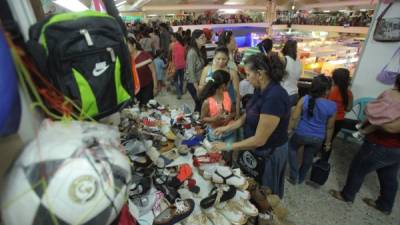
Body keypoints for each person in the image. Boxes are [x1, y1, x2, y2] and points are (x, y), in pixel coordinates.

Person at [211, 53, 290, 198]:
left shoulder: (275, 97)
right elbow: (249, 114)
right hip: (254, 148)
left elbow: (259, 140)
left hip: (269, 151)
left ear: (259, 74)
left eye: (248, 74)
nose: (246, 78)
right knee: (248, 184)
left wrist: (227, 146)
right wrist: (227, 127)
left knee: (263, 192)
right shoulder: (260, 88)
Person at [329, 78, 400, 215]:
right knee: (389, 176)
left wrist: (376, 120)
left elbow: (390, 127)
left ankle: (347, 195)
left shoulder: (390, 94)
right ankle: (385, 204)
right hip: (395, 148)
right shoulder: (389, 93)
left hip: (379, 144)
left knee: (358, 168)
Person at [287, 75, 337, 185]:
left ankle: (293, 175)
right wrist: (327, 143)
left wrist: (289, 129)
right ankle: (301, 178)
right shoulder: (332, 106)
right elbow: (329, 127)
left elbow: (294, 117)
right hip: (318, 138)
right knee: (308, 158)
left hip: (301, 133)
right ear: (327, 91)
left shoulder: (304, 99)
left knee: (291, 148)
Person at [352, 74, 400, 139]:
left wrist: (373, 108)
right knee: (375, 124)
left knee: (372, 117)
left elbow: (377, 100)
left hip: (378, 111)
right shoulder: (389, 92)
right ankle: (361, 132)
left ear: (396, 83)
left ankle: (361, 125)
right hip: (387, 118)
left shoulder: (389, 91)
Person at [321, 68, 354, 162]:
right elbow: (348, 108)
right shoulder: (349, 93)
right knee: (329, 140)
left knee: (322, 138)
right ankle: (324, 161)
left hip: (327, 119)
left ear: (334, 78)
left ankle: (315, 156)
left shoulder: (330, 91)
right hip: (339, 120)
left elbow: (323, 106)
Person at [199, 47, 240, 119]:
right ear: (214, 57)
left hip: (227, 105)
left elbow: (236, 94)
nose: (221, 61)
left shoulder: (232, 73)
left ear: (228, 59)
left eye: (224, 59)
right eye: (218, 59)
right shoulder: (207, 69)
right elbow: (200, 88)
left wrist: (237, 113)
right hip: (210, 105)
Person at [199, 70, 235, 143]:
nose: (230, 85)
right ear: (223, 85)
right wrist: (214, 118)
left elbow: (234, 111)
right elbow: (202, 119)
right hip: (215, 134)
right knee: (218, 153)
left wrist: (230, 116)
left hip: (229, 132)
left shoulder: (227, 95)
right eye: (229, 83)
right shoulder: (207, 101)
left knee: (228, 150)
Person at [127, 36, 157, 107]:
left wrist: (155, 87)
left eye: (127, 46)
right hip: (134, 89)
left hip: (147, 87)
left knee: (148, 107)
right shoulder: (126, 58)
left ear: (134, 45)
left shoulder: (145, 55)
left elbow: (153, 71)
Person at [185, 29, 207, 112]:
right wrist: (197, 88)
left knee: (199, 104)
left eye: (205, 37)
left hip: (199, 81)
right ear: (195, 39)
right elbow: (191, 71)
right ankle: (197, 121)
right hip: (193, 83)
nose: (205, 39)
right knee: (200, 103)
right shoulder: (192, 52)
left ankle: (197, 121)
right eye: (202, 37)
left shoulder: (199, 50)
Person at [281, 40, 302, 107]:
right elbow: (298, 76)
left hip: (285, 93)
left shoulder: (284, 59)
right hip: (295, 93)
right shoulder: (298, 61)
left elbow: (278, 76)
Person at [170, 33, 186, 99]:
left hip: (176, 65)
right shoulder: (182, 45)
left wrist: (172, 65)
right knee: (181, 79)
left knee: (175, 80)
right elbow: (184, 55)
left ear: (175, 38)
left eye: (172, 37)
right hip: (182, 65)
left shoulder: (173, 45)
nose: (171, 38)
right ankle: (181, 91)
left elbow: (173, 56)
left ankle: (179, 93)